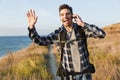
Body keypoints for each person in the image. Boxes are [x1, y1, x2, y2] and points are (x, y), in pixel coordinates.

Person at [26, 4, 106, 80]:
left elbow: (101, 34)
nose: (65, 17)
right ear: (60, 17)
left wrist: (83, 24)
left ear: (72, 15)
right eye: (62, 15)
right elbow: (40, 41)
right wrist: (31, 27)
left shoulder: (81, 29)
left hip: (85, 75)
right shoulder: (58, 33)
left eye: (67, 14)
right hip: (69, 76)